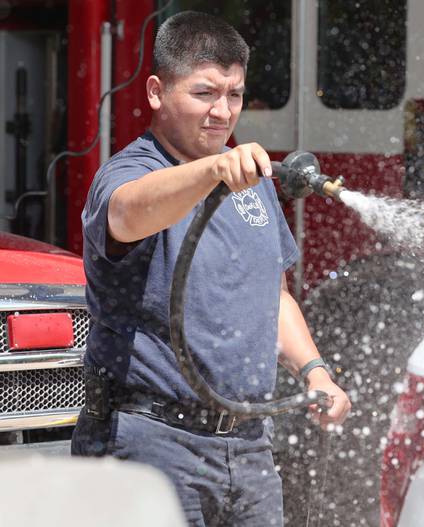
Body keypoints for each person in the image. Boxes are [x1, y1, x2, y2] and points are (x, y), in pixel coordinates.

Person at [71, 11, 351, 526]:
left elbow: (275, 294)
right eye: (204, 93)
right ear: (156, 92)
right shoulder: (132, 172)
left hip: (248, 450)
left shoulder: (252, 183)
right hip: (151, 446)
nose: (222, 112)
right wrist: (213, 170)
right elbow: (128, 212)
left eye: (236, 95)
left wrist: (316, 371)